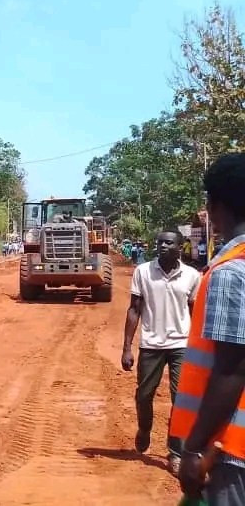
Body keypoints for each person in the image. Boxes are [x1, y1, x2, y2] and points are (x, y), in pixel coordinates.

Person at [170, 153, 245, 504]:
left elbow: (231, 369)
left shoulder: (230, 272)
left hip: (233, 450)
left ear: (215, 206)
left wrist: (194, 449)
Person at [122, 229, 202, 474]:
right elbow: (134, 310)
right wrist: (127, 347)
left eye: (168, 243)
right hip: (151, 344)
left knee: (180, 399)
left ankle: (175, 452)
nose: (162, 246)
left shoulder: (191, 276)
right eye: (159, 243)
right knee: (144, 395)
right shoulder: (143, 272)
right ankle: (144, 428)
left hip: (181, 345)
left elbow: (195, 312)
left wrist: (200, 350)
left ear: (180, 247)